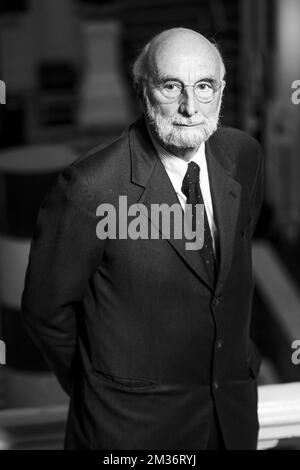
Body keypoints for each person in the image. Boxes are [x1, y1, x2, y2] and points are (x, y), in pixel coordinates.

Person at [21, 28, 264, 450]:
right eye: (171, 86)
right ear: (142, 90)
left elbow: (223, 277)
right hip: (130, 434)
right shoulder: (89, 188)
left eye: (204, 87)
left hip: (232, 420)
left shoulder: (243, 156)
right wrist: (102, 388)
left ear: (221, 91)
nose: (190, 107)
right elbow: (46, 311)